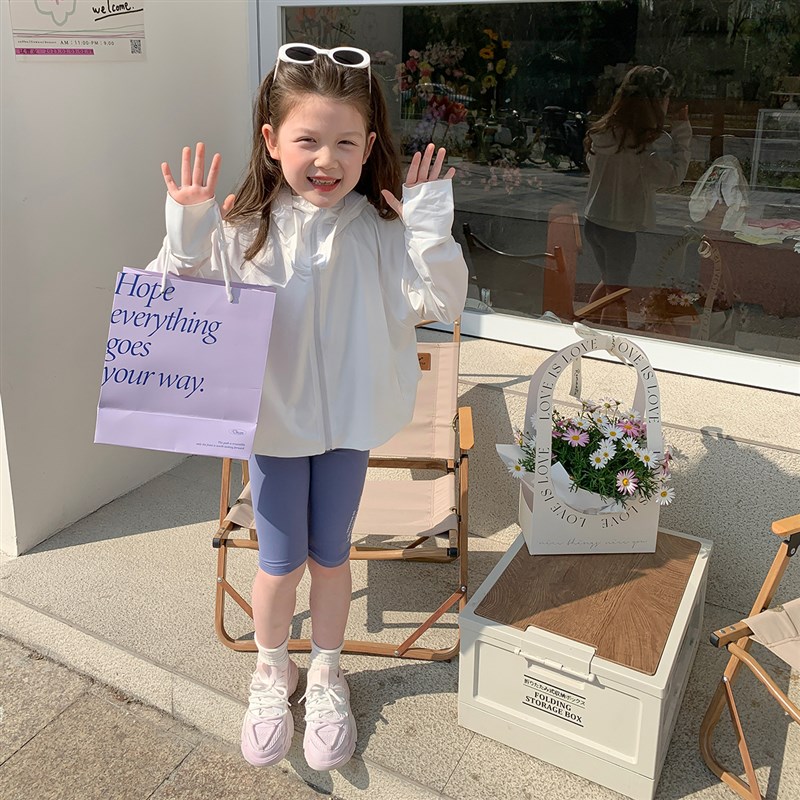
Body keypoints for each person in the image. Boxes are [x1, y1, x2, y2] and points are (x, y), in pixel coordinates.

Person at [146, 43, 467, 772]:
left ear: (370, 147)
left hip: (349, 427)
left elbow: (441, 303)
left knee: (331, 558)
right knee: (278, 563)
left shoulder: (381, 229)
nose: (327, 159)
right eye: (308, 140)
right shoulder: (243, 225)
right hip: (273, 428)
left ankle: (325, 671)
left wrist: (427, 227)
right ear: (271, 141)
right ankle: (272, 670)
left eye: (346, 142)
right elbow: (174, 301)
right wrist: (188, 228)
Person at [583, 65, 692, 326]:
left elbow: (591, 164)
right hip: (619, 230)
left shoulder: (603, 134)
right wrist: (682, 131)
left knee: (609, 282)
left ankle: (585, 322)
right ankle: (614, 336)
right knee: (617, 293)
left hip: (594, 222)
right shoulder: (639, 149)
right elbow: (674, 176)